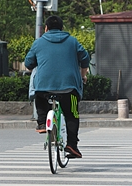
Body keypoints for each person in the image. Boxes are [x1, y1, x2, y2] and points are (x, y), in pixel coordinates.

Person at [24, 15, 90, 158]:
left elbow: (28, 63)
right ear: (62, 28)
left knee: (39, 95)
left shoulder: (38, 43)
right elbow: (85, 59)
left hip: (44, 87)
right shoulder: (72, 41)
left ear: (46, 28)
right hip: (69, 87)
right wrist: (83, 75)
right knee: (72, 114)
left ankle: (42, 122)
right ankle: (72, 145)